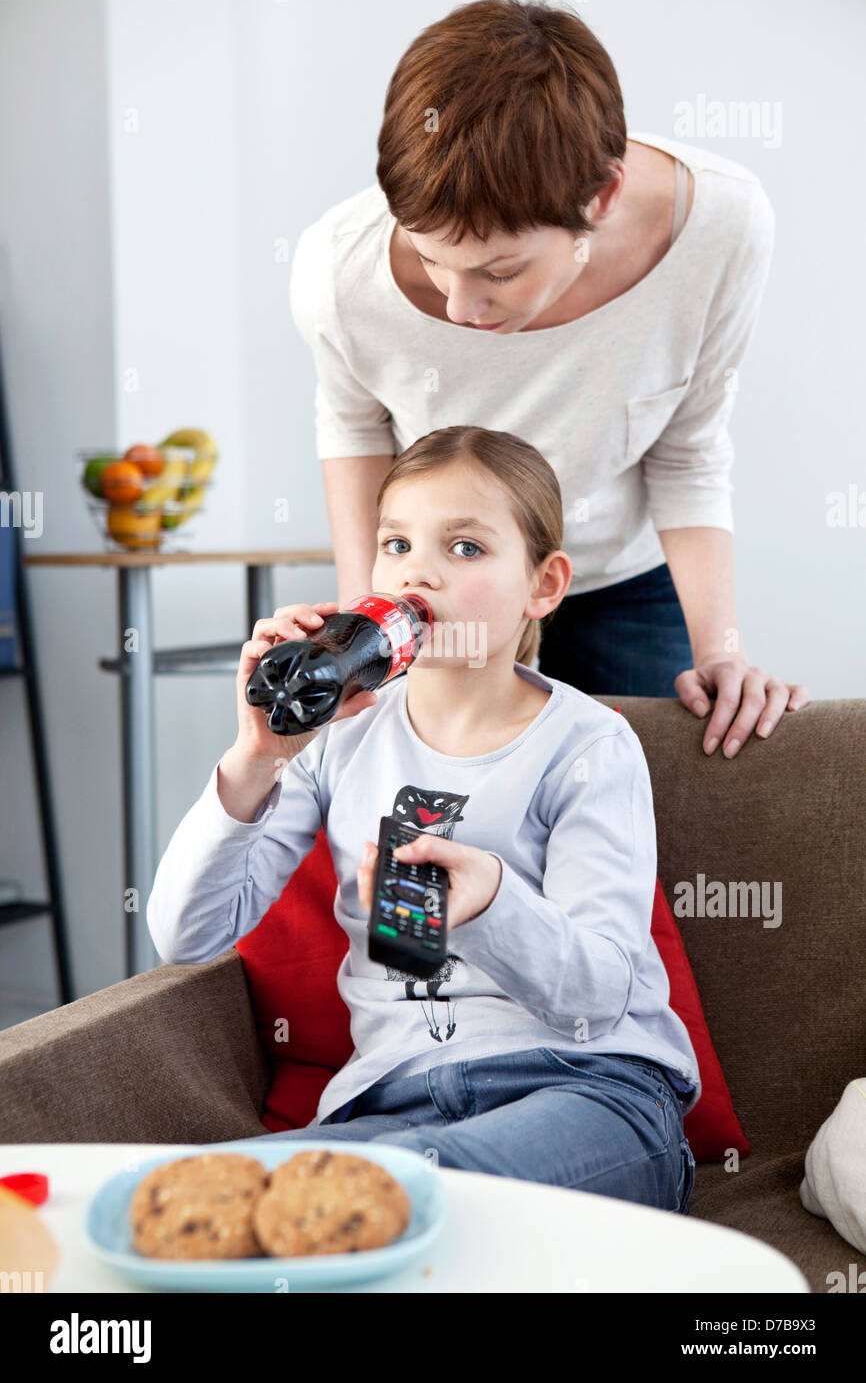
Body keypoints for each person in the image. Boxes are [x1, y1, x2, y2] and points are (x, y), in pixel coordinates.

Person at [146, 428, 697, 1214]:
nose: (419, 572)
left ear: (544, 585)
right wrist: (256, 755)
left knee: (400, 1190)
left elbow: (596, 996)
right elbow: (185, 937)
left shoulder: (589, 746)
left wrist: (491, 902)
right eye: (397, 544)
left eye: (466, 547)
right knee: (204, 1200)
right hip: (396, 1104)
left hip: (593, 1094)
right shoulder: (339, 735)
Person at [290, 0, 808, 760]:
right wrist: (367, 625)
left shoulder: (721, 230)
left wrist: (721, 653)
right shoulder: (340, 269)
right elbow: (354, 429)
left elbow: (688, 450)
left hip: (624, 583)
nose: (460, 306)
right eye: (433, 261)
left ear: (601, 198)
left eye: (499, 271)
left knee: (653, 813)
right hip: (444, 588)